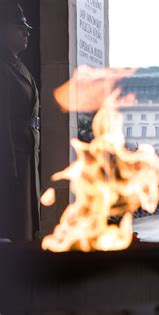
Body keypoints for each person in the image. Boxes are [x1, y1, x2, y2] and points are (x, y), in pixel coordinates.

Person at [0, 2, 40, 241]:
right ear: (4, 30)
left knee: (25, 226)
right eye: (19, 28)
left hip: (26, 157)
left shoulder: (17, 66)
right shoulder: (3, 70)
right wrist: (9, 165)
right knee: (14, 227)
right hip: (13, 158)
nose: (26, 33)